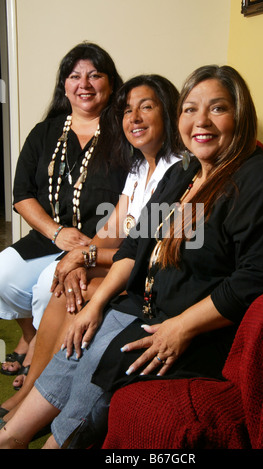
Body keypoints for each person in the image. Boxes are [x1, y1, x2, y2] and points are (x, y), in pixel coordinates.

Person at [1, 64, 263, 449]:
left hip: (202, 330)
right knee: (80, 340)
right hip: (149, 307)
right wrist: (97, 304)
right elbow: (137, 243)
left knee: (103, 358)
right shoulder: (189, 175)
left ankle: (56, 444)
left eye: (218, 108)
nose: (201, 121)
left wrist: (182, 327)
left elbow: (255, 280)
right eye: (191, 109)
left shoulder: (261, 183)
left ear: (241, 115)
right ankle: (12, 435)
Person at [0, 75, 180, 417]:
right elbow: (115, 227)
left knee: (83, 289)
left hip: (152, 270)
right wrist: (77, 259)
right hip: (128, 259)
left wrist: (88, 254)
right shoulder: (140, 165)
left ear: (168, 113)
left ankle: (42, 406)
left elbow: (152, 252)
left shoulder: (178, 170)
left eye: (147, 107)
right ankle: (30, 394)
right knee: (66, 280)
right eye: (128, 110)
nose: (135, 118)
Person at [0, 42, 127, 386]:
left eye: (95, 75)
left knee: (48, 289)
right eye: (74, 76)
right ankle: (29, 337)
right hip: (48, 237)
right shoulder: (45, 132)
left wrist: (85, 252)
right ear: (64, 85)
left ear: (111, 84)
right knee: (3, 273)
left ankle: (41, 369)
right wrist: (56, 233)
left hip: (95, 243)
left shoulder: (125, 132)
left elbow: (134, 199)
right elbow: (21, 195)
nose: (84, 84)